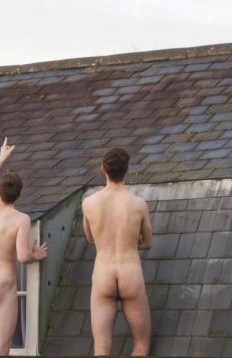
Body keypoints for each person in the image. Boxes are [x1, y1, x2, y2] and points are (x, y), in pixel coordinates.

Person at [0, 138, 48, 355]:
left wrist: (1, 158)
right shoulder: (21, 219)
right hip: (2, 285)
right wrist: (35, 254)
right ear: (18, 195)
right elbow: (23, 256)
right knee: (1, 349)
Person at [82, 148, 153, 356]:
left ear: (104, 169)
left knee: (101, 348)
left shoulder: (89, 203)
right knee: (141, 346)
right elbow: (147, 242)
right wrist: (132, 241)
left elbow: (91, 239)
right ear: (127, 169)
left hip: (103, 273)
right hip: (130, 272)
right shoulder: (139, 204)